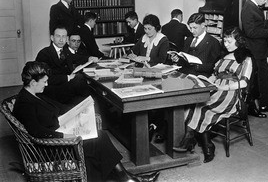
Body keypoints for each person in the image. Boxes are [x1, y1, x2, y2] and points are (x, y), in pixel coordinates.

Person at [12, 61, 160, 182]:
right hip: (52, 147)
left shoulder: (35, 94)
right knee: (98, 138)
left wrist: (83, 110)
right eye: (44, 82)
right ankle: (127, 179)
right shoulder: (25, 103)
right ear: (32, 82)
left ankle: (126, 178)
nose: (46, 84)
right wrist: (65, 137)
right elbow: (36, 131)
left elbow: (59, 107)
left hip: (60, 132)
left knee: (98, 135)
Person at [173, 27, 253, 163]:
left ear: (238, 41)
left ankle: (198, 142)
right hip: (216, 88)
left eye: (229, 42)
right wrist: (202, 80)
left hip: (231, 94)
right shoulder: (223, 56)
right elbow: (214, 76)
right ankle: (204, 144)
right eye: (225, 41)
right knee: (192, 103)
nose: (225, 44)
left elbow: (244, 83)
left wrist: (223, 86)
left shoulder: (246, 59)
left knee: (203, 107)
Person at [36, 25, 91, 105]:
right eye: (58, 36)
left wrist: (88, 59)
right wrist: (68, 77)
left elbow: (76, 58)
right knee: (80, 80)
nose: (61, 40)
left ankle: (89, 105)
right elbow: (44, 78)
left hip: (64, 87)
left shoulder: (65, 52)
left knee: (85, 82)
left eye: (64, 36)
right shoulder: (44, 54)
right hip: (52, 91)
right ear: (52, 38)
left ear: (67, 39)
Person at [170, 13, 221, 77]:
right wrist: (178, 59)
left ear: (203, 25)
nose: (192, 31)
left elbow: (214, 66)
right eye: (190, 28)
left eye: (195, 28)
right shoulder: (188, 40)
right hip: (184, 75)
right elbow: (184, 59)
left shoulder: (213, 42)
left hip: (200, 76)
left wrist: (197, 66)